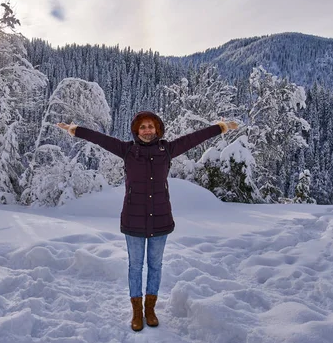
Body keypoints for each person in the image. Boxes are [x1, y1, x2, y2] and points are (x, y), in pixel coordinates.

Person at [57, 111, 238, 331]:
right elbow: (100, 139)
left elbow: (194, 138)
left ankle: (150, 310)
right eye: (142, 127)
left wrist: (221, 127)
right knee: (135, 267)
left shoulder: (167, 150)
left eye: (151, 126)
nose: (147, 130)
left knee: (155, 266)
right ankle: (136, 311)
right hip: (133, 219)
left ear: (157, 129)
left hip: (160, 219)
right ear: (136, 130)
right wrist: (75, 130)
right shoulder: (128, 151)